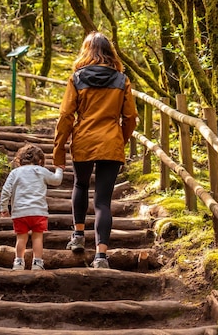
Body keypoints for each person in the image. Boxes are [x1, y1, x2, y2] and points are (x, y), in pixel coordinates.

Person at [53, 31, 138, 269]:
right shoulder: (122, 80)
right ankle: (101, 256)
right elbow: (130, 117)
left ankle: (78, 236)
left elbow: (66, 116)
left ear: (86, 51)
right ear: (110, 52)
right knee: (103, 201)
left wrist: (59, 150)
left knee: (80, 185)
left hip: (84, 140)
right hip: (110, 141)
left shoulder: (77, 79)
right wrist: (120, 138)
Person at [0, 144, 63, 271]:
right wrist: (59, 169)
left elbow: (6, 191)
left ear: (20, 159)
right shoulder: (40, 170)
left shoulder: (14, 172)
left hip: (20, 212)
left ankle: (18, 262)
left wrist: (4, 207)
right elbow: (56, 181)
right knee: (38, 237)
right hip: (38, 212)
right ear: (40, 161)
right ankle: (37, 263)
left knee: (21, 238)